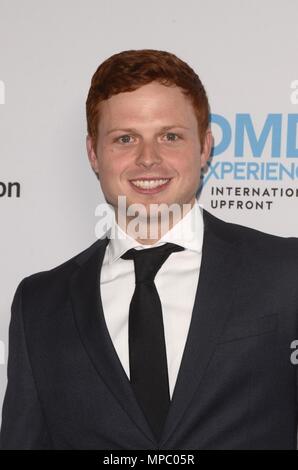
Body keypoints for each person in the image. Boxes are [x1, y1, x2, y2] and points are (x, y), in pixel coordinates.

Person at [1, 49, 298, 450]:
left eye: (170, 136)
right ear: (93, 153)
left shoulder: (286, 273)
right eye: (125, 139)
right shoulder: (39, 303)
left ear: (205, 147)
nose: (148, 159)